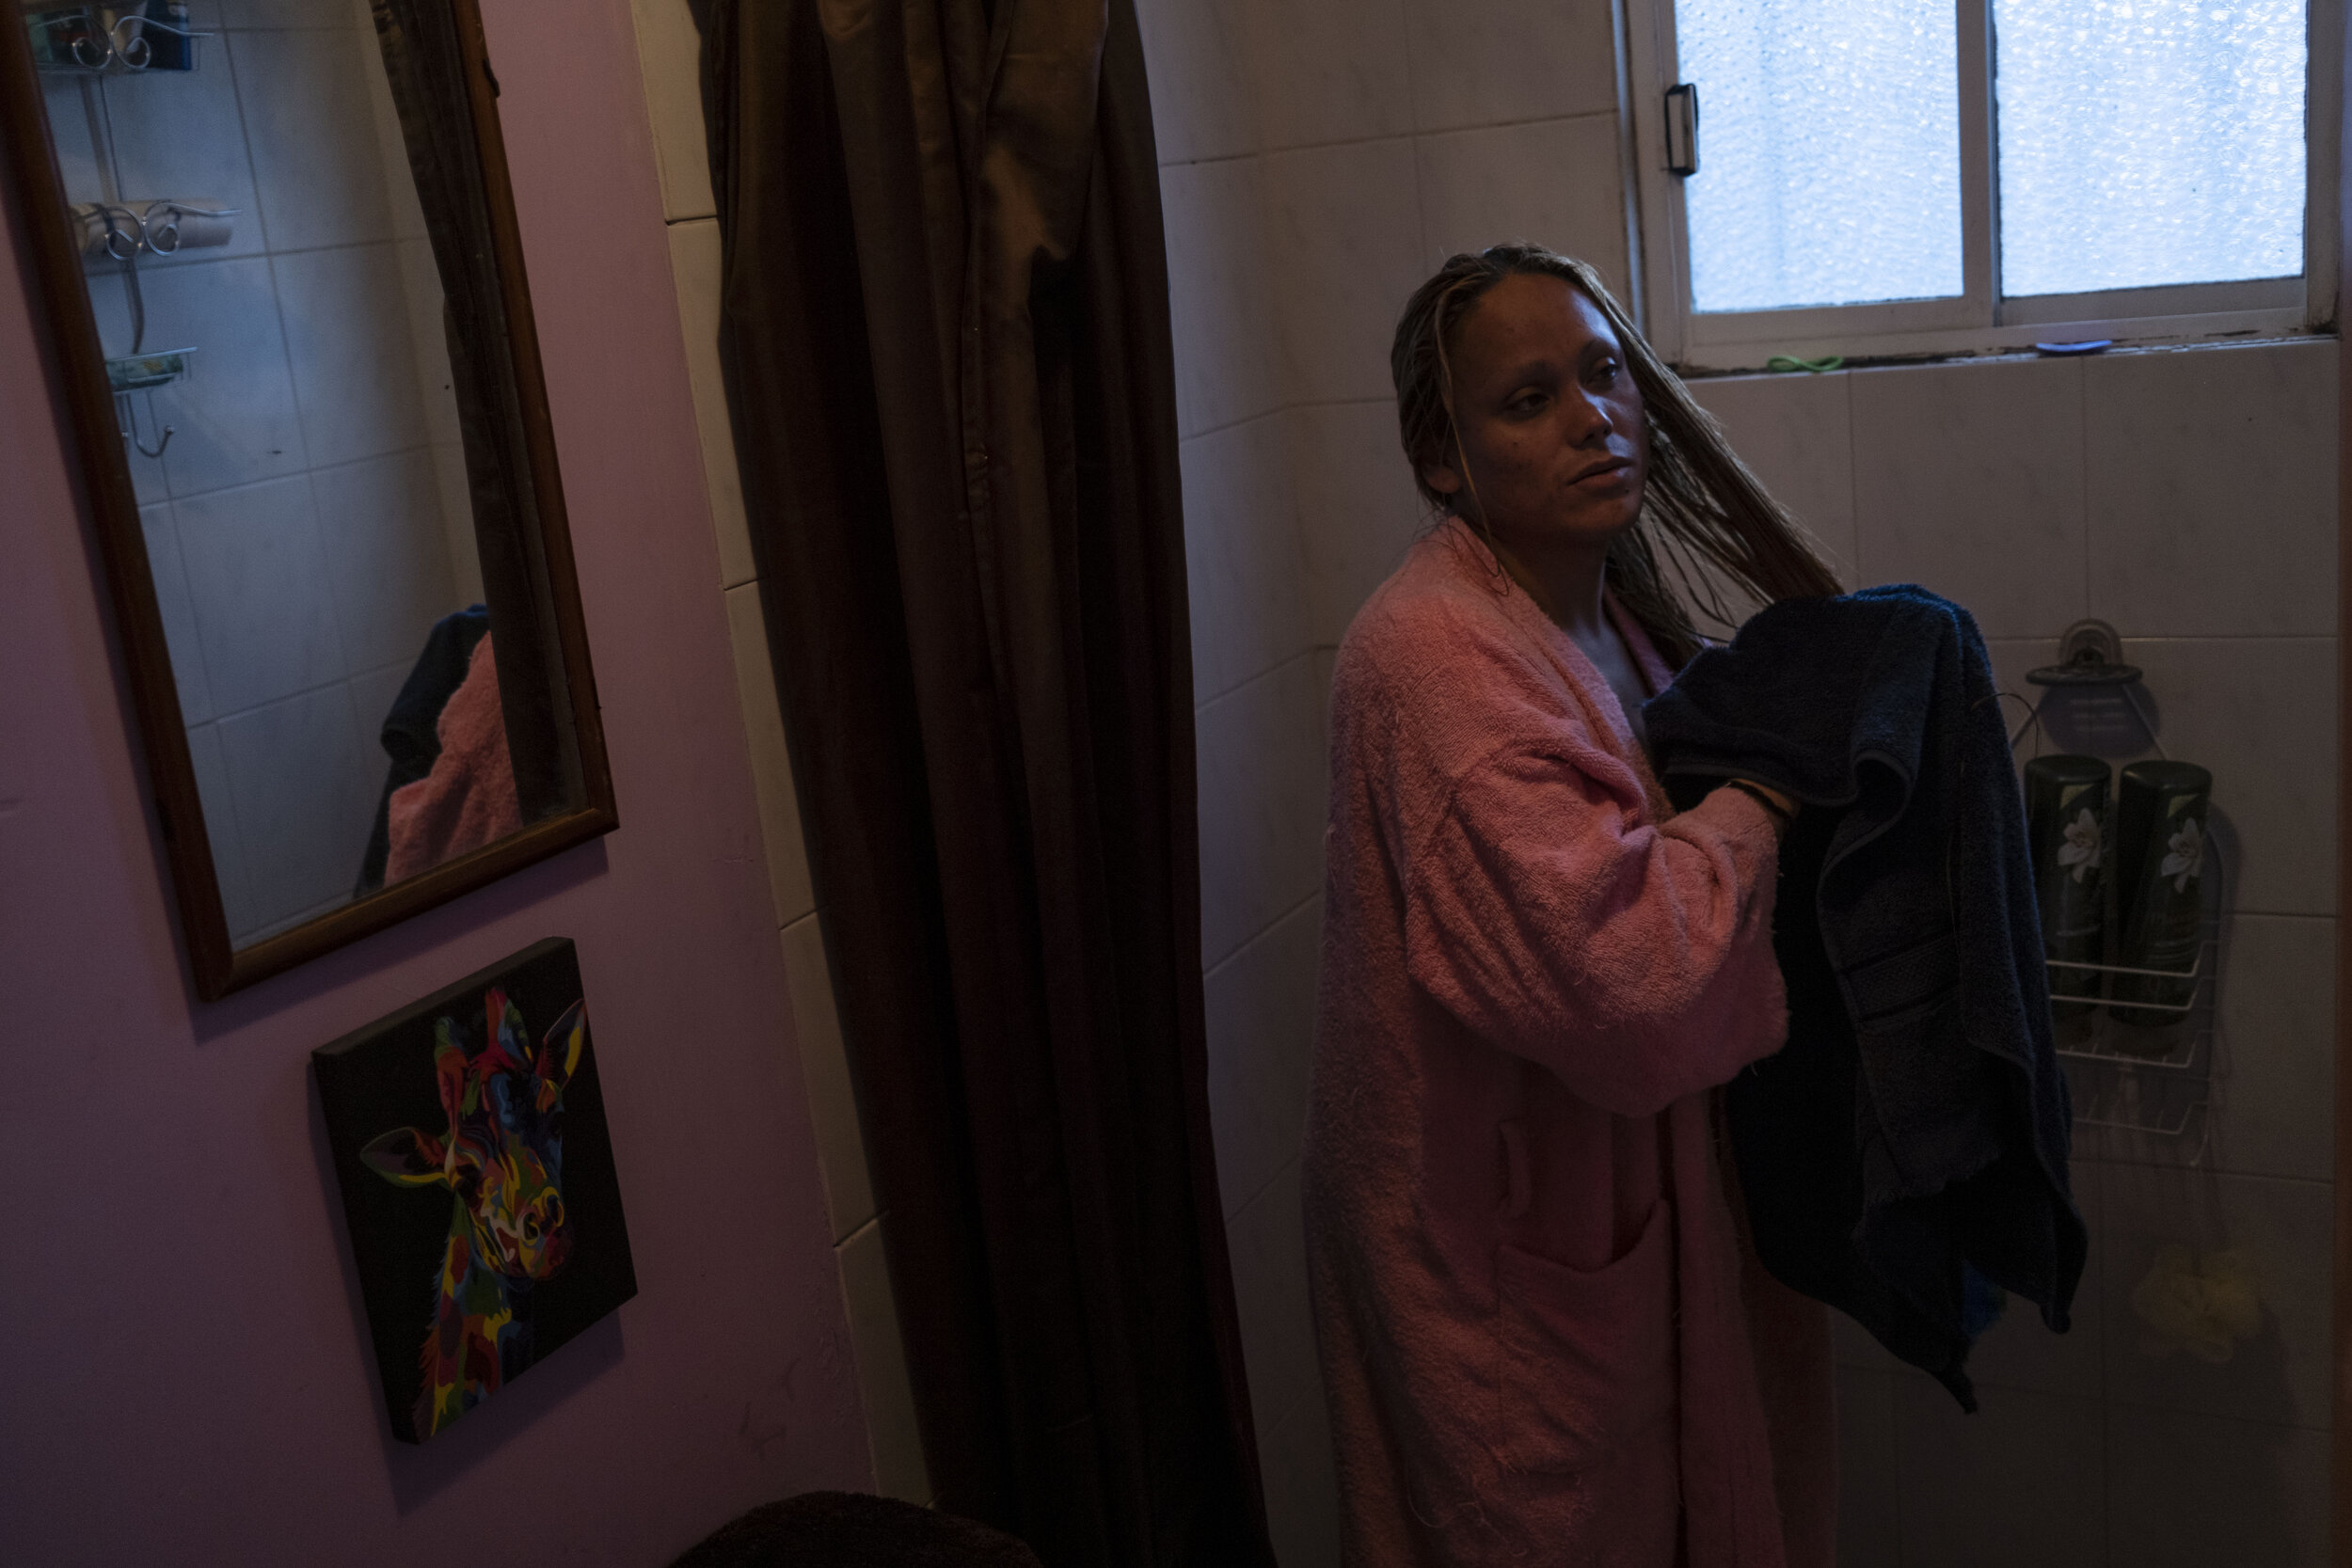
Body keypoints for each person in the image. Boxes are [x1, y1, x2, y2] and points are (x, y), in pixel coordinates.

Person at [1302, 244, 1844, 1568]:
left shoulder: (1608, 615)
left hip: (1613, 1221)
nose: (1593, 417)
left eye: (1604, 374)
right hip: (1501, 1275)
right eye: (1527, 400)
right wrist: (1765, 797)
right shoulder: (1436, 659)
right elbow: (1628, 976)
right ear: (1445, 461)